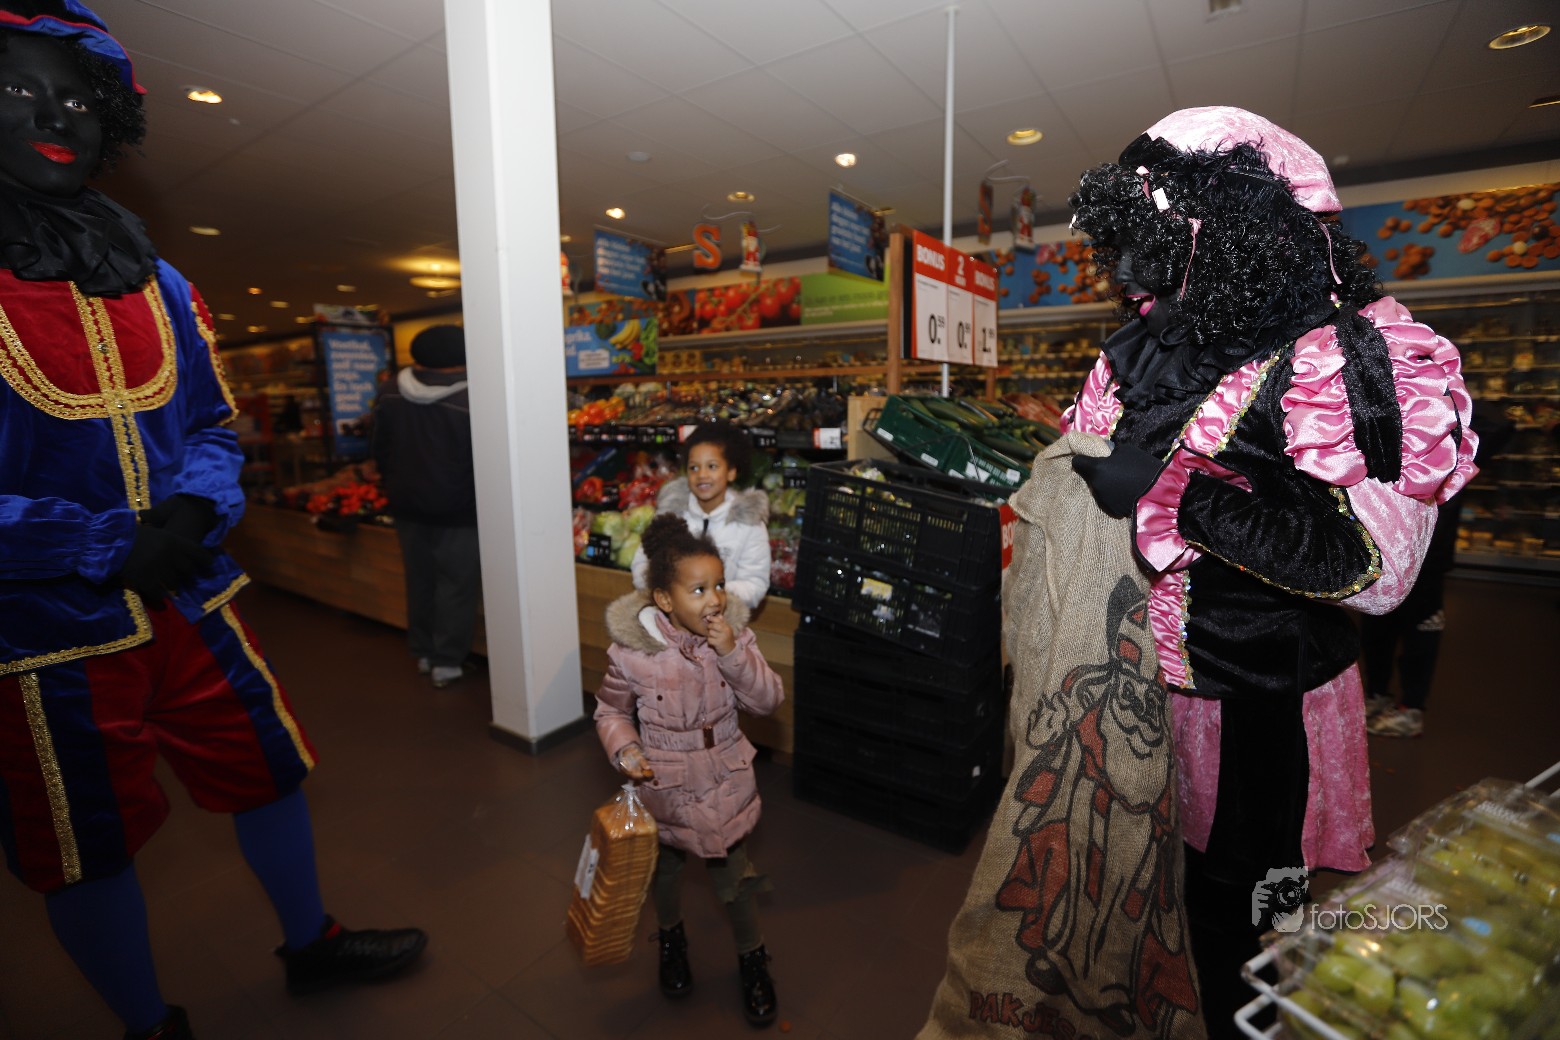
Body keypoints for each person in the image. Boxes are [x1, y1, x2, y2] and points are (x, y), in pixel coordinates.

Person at [0, 5, 426, 1038]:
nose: (56, 115)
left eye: (77, 97)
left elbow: (209, 425)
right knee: (86, 844)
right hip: (44, 632)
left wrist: (196, 505)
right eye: (19, 91)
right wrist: (103, 542)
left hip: (192, 595)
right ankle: (149, 1024)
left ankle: (311, 943)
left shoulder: (161, 280)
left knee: (267, 768)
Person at [1061, 107, 1477, 1036]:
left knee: (1241, 915)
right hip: (1137, 684)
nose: (1130, 268)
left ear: (1233, 227)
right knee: (1149, 891)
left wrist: (1178, 493)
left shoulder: (1343, 357)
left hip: (1259, 699)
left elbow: (1380, 572)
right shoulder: (1142, 346)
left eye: (1157, 234)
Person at [595, 514, 784, 1028]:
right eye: (698, 590)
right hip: (665, 787)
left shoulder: (735, 640)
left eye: (719, 585)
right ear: (664, 599)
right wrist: (625, 749)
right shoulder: (634, 653)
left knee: (736, 880)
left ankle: (752, 957)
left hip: (724, 781)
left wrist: (731, 654)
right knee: (665, 873)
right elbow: (610, 711)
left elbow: (768, 701)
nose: (714, 599)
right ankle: (671, 939)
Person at [1363, 413, 1513, 737]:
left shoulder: (1446, 414)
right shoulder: (1387, 408)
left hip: (1429, 547)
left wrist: (1446, 415)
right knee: (1377, 623)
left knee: (1421, 626)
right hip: (1383, 541)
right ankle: (1376, 694)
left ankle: (1411, 708)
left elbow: (1498, 425)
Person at [371, 323, 481, 688]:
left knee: (419, 579)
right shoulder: (474, 396)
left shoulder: (390, 391)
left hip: (406, 503)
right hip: (459, 507)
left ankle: (422, 651)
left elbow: (380, 448)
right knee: (456, 584)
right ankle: (446, 662)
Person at [630, 421, 772, 611]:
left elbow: (754, 584)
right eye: (694, 468)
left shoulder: (749, 523)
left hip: (723, 621)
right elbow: (642, 564)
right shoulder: (671, 514)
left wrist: (706, 592)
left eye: (712, 466)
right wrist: (671, 593)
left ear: (731, 472)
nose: (702, 475)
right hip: (668, 618)